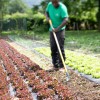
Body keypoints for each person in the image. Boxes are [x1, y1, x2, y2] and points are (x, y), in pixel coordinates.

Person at [45, 0, 69, 71]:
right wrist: (47, 17)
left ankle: (62, 66)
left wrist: (58, 28)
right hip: (52, 29)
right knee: (53, 47)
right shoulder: (50, 5)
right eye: (53, 2)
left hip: (60, 29)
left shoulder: (62, 8)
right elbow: (46, 12)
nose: (54, 4)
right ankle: (55, 65)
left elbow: (66, 20)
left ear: (58, 1)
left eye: (55, 2)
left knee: (60, 47)